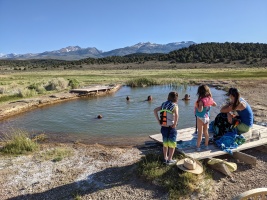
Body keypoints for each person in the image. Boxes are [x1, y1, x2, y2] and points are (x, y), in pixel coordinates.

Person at [154, 91, 179, 165]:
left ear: (168, 97)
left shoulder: (163, 104)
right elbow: (177, 115)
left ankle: (165, 158)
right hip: (171, 128)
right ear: (176, 98)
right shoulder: (175, 106)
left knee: (165, 144)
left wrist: (159, 121)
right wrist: (175, 124)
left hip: (163, 127)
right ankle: (170, 159)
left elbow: (155, 110)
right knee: (172, 144)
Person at [195, 85, 217, 152]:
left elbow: (200, 110)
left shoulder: (201, 101)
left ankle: (198, 147)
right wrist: (209, 104)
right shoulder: (209, 99)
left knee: (200, 133)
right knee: (206, 132)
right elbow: (215, 104)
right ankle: (206, 146)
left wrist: (197, 106)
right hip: (207, 117)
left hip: (200, 118)